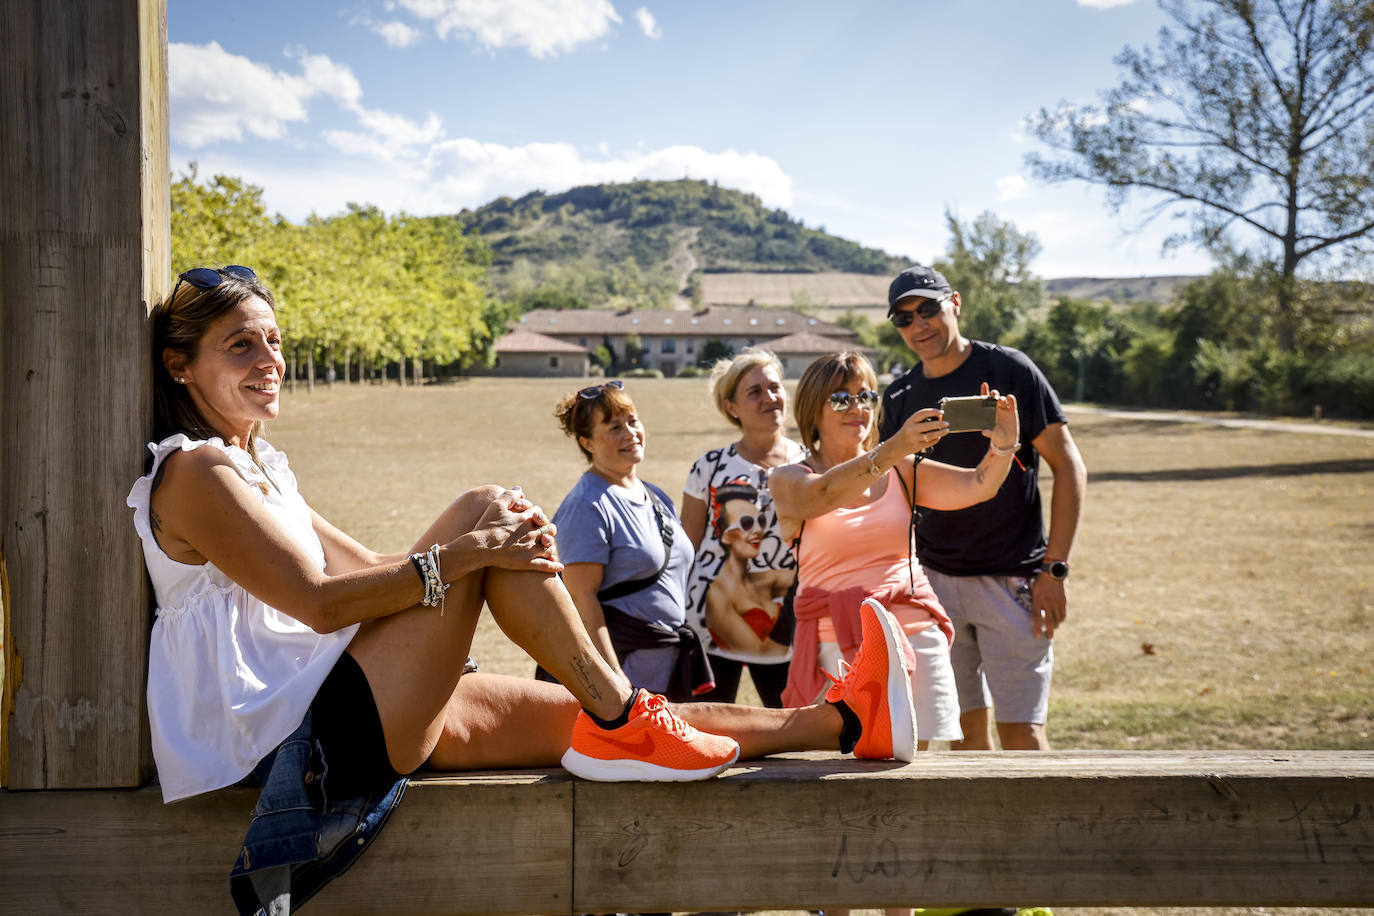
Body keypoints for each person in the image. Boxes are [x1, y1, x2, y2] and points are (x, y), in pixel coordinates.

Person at [131, 265, 918, 915]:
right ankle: (623, 711)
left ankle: (845, 719)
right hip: (287, 741)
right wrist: (473, 552)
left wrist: (468, 577)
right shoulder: (194, 470)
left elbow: (369, 564)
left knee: (602, 718)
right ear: (180, 364)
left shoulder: (260, 468)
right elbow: (322, 602)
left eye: (273, 341)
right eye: (240, 346)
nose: (267, 359)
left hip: (335, 695)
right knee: (487, 511)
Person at [770, 350, 1021, 916]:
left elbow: (979, 485)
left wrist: (1003, 441)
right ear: (813, 409)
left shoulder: (903, 470)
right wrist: (891, 451)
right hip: (837, 642)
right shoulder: (789, 478)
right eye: (841, 397)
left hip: (914, 637)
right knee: (835, 788)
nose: (857, 407)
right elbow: (819, 499)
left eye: (864, 395)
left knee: (911, 788)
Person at [879, 264, 1087, 752]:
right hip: (934, 585)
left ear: (954, 303)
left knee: (1023, 734)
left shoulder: (1009, 370)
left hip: (1012, 579)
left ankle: (1046, 830)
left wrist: (1053, 570)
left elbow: (1069, 466)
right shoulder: (901, 395)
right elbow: (894, 488)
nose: (919, 325)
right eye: (904, 318)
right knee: (964, 739)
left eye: (927, 308)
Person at [551, 380, 713, 700]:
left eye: (633, 421)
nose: (630, 433)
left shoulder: (656, 496)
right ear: (587, 443)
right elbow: (581, 603)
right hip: (625, 682)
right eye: (614, 427)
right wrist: (616, 684)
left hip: (670, 672)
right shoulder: (587, 505)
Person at [680, 348, 806, 706]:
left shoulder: (810, 461)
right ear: (731, 406)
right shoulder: (709, 466)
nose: (770, 398)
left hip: (788, 622)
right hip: (711, 623)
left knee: (793, 734)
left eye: (775, 387)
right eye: (755, 392)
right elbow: (686, 547)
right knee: (707, 730)